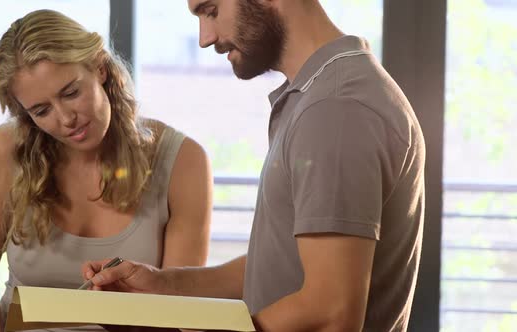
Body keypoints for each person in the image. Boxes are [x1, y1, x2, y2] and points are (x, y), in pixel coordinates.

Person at [83, 0, 426, 331]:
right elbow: (285, 268)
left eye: (211, 10)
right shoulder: (319, 96)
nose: (205, 38)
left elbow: (330, 311)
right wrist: (162, 284)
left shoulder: (334, 108)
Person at [0, 9, 213, 332]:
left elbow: (177, 311)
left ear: (100, 67)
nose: (65, 119)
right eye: (41, 110)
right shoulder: (1, 154)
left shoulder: (183, 162)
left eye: (71, 93)